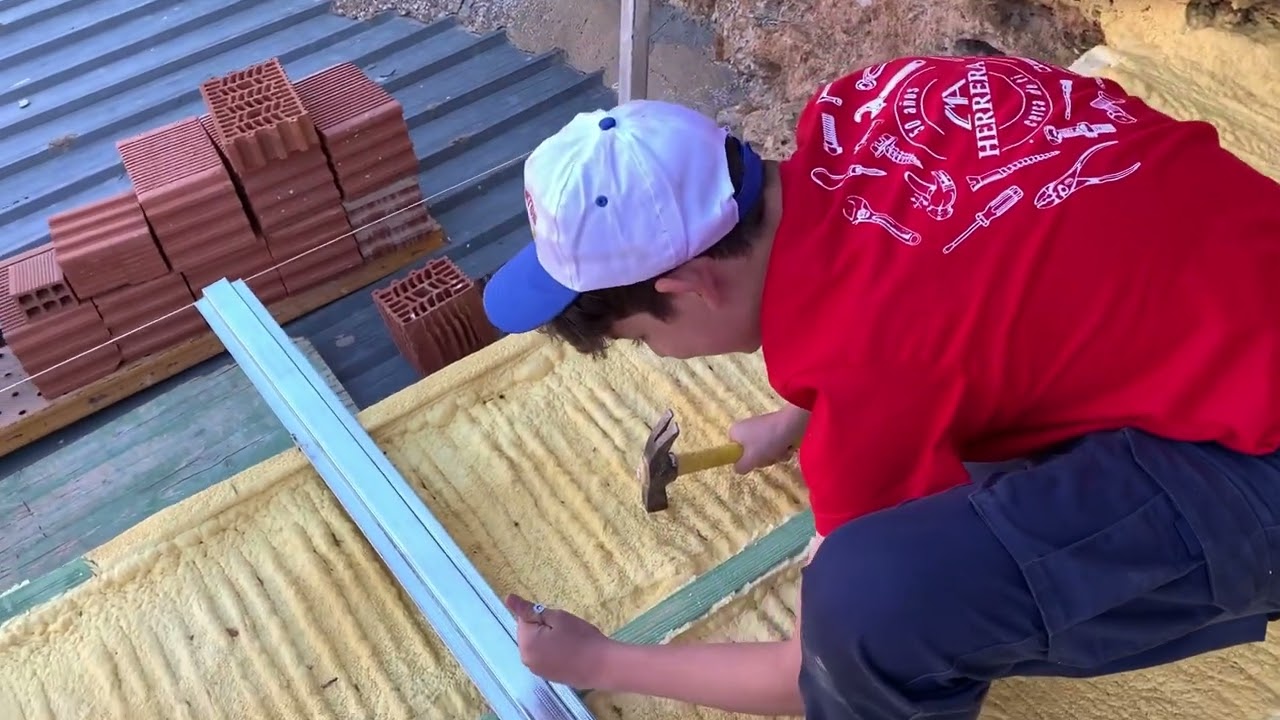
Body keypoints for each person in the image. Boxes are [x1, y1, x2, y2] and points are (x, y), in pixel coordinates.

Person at [480, 54, 1280, 720]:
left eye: (644, 338)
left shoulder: (867, 373)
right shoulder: (867, 100)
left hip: (1262, 458)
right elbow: (938, 265)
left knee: (870, 601)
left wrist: (601, 660)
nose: (663, 355)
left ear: (689, 287)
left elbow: (807, 670)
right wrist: (801, 415)